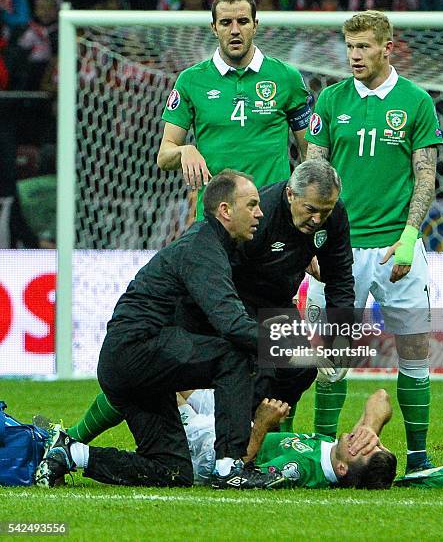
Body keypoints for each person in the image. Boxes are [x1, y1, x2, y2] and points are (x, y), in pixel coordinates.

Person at [66, 159, 354, 445]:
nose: (318, 219)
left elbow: (340, 275)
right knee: (224, 369)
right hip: (229, 304)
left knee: (299, 369)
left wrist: (341, 334)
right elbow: (216, 277)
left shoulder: (333, 215)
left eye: (325, 211)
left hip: (275, 302)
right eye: (311, 210)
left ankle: (260, 441)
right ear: (291, 195)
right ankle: (76, 436)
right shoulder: (256, 218)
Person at [35, 170, 285, 490]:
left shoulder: (210, 246)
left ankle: (71, 454)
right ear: (225, 210)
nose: (260, 213)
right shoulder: (202, 248)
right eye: (251, 205)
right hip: (138, 351)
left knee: (173, 472)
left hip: (133, 365)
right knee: (233, 355)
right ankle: (230, 467)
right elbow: (232, 325)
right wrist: (292, 345)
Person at [305, 10, 443, 479]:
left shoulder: (416, 101)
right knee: (331, 358)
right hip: (339, 251)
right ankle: (326, 453)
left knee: (414, 351)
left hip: (395, 247)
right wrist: (309, 239)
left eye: (363, 47)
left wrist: (409, 236)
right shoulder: (330, 100)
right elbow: (312, 174)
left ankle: (420, 459)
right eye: (350, 48)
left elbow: (425, 175)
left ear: (388, 48)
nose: (354, 57)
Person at [157, 0, 312, 220]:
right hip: (216, 220)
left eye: (242, 21)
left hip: (272, 219)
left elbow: (310, 153)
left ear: (255, 25)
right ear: (214, 28)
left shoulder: (287, 78)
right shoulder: (191, 81)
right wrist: (184, 150)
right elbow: (164, 156)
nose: (235, 30)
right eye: (226, 22)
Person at [179, 388, 397, 490]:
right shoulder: (339, 451)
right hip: (237, 428)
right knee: (180, 376)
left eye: (363, 447)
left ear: (342, 469)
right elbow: (381, 397)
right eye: (372, 443)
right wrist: (370, 428)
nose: (361, 440)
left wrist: (262, 424)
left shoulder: (300, 469)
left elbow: (235, 473)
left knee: (160, 383)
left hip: (213, 449)